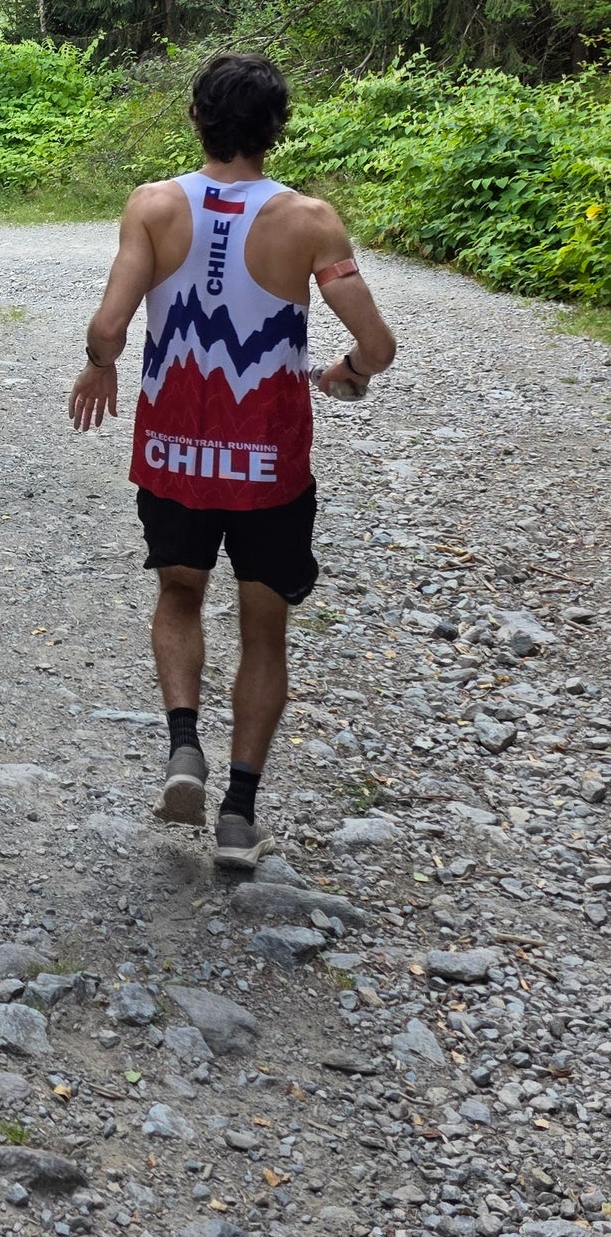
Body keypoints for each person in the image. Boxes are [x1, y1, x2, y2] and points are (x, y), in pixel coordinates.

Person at [68, 50, 395, 871]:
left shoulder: (151, 206)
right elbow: (377, 344)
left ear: (196, 118)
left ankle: (183, 748)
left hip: (175, 453)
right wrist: (344, 376)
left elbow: (109, 326)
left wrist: (101, 366)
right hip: (268, 465)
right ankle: (239, 817)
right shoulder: (312, 221)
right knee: (264, 629)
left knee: (178, 593)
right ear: (277, 128)